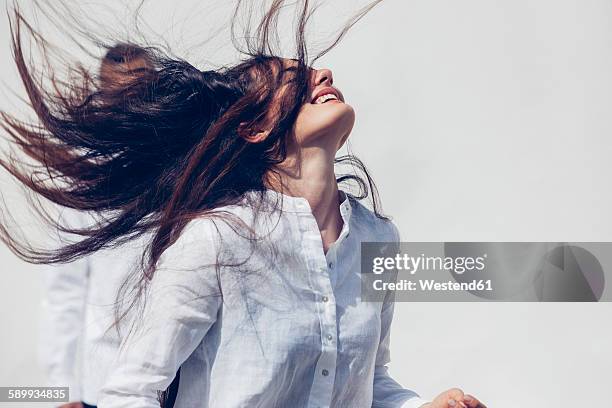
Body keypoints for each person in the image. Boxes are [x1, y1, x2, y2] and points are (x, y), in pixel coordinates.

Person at [0, 2, 486, 407]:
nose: (325, 74)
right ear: (254, 129)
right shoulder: (218, 237)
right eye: (294, 81)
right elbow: (131, 390)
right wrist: (59, 391)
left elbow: (368, 382)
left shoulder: (378, 238)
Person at [38, 44, 154, 408]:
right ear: (104, 95)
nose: (131, 101)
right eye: (120, 92)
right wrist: (62, 389)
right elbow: (65, 287)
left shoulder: (180, 165)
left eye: (141, 88)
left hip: (174, 379)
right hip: (102, 381)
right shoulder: (86, 175)